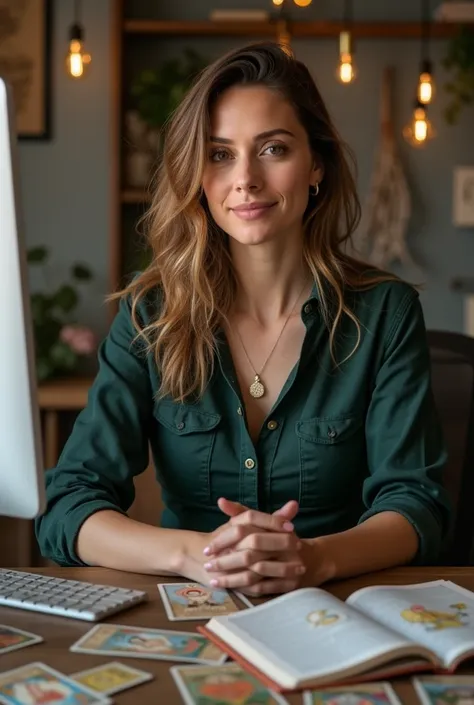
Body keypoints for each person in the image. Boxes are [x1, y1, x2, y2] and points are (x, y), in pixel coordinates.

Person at [35, 42, 451, 596]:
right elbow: (68, 507)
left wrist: (314, 560)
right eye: (220, 154)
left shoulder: (385, 313)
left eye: (273, 148)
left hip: (335, 608)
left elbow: (415, 503)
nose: (246, 179)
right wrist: (195, 555)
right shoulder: (150, 317)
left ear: (316, 164)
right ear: (197, 176)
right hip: (192, 614)